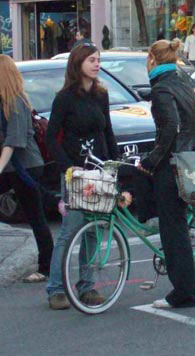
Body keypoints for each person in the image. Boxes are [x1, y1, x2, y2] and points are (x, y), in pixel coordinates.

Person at [46, 43, 119, 310]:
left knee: (93, 232)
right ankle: (55, 289)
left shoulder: (101, 95)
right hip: (76, 173)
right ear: (78, 64)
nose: (96, 64)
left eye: (98, 59)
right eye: (91, 60)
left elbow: (108, 131)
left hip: (99, 170)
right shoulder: (64, 98)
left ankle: (86, 286)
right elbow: (51, 137)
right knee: (70, 230)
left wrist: (114, 164)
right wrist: (68, 167)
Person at [137, 38, 195, 308]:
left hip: (173, 164)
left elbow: (170, 129)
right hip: (187, 158)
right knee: (175, 225)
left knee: (173, 229)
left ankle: (184, 292)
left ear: (152, 59)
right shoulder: (181, 80)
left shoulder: (162, 88)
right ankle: (184, 287)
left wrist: (152, 160)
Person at [0, 54, 54, 283]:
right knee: (36, 213)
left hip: (26, 167)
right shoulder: (4, 103)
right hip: (14, 168)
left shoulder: (17, 103)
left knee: (36, 217)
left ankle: (46, 267)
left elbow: (13, 141)